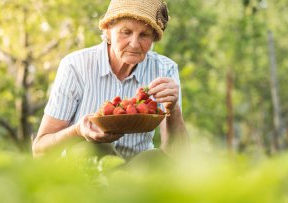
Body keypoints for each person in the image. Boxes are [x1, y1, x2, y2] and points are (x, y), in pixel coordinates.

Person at [32, 0, 188, 160]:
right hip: (85, 174)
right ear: (107, 31)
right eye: (126, 32)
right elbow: (40, 150)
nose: (134, 44)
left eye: (144, 34)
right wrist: (78, 131)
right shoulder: (75, 66)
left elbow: (177, 158)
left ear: (153, 38)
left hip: (136, 174)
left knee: (154, 159)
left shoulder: (165, 69)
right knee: (91, 148)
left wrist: (173, 109)